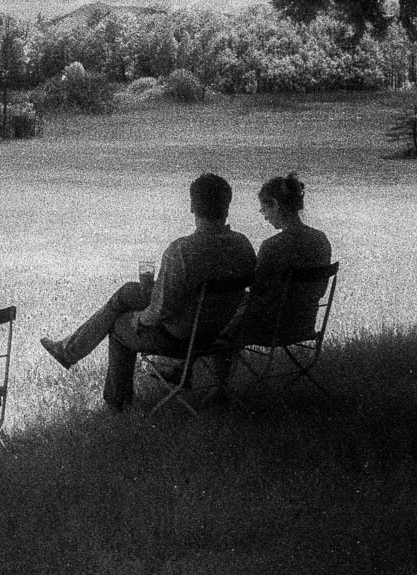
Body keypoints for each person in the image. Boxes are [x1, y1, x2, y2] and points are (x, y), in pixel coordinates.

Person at [40, 173, 256, 410]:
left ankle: (116, 404)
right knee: (128, 293)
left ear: (192, 206)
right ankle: (68, 349)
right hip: (218, 331)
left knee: (119, 325)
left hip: (181, 337)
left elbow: (163, 308)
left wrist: (140, 320)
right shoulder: (243, 245)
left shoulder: (181, 251)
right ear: (227, 205)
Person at [234, 173, 333, 343]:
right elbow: (321, 290)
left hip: (272, 328)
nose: (264, 216)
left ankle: (190, 364)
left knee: (227, 310)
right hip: (304, 324)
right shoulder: (320, 239)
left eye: (264, 209)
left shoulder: (272, 246)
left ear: (276, 204)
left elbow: (256, 290)